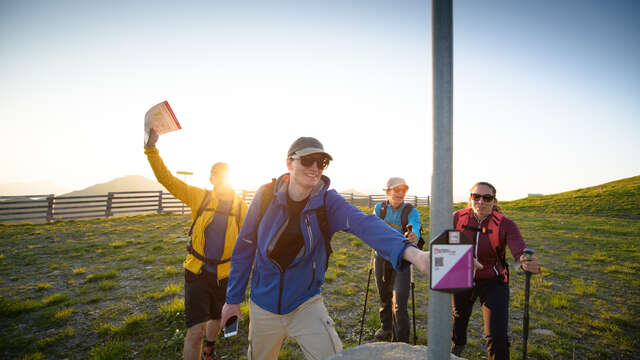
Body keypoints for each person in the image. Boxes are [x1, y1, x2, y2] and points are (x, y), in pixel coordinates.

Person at [220, 137, 431, 360]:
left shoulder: (328, 202)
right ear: (289, 163)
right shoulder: (265, 196)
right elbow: (244, 248)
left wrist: (414, 254)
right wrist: (233, 300)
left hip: (306, 304)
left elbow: (365, 224)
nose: (314, 168)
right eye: (308, 160)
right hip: (263, 305)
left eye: (321, 162)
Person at [144, 129, 248, 360]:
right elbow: (167, 179)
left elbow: (255, 238)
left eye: (225, 175)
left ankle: (209, 350)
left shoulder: (242, 208)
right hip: (197, 272)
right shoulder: (199, 197)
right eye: (216, 175)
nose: (221, 180)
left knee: (216, 319)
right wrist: (151, 150)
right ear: (211, 179)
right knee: (195, 331)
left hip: (226, 274)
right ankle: (201, 348)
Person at [450, 182, 541, 360]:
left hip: (493, 281)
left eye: (487, 198)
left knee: (496, 334)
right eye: (476, 197)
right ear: (470, 198)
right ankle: (458, 344)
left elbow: (519, 249)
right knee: (459, 316)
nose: (480, 201)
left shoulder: (505, 224)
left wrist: (524, 260)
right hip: (461, 277)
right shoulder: (457, 218)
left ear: (494, 200)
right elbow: (445, 244)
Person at [372, 177, 422, 343]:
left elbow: (414, 226)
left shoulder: (410, 211)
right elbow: (374, 228)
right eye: (396, 189)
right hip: (380, 258)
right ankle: (386, 327)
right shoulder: (380, 208)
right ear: (388, 192)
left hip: (402, 260)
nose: (400, 193)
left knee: (399, 302)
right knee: (384, 295)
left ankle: (401, 341)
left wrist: (413, 236)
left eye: (403, 190)